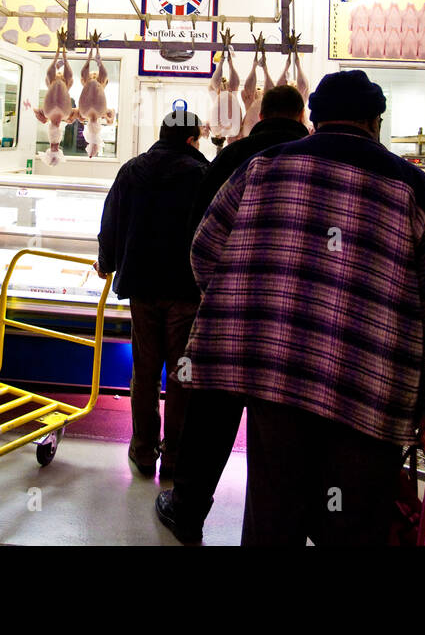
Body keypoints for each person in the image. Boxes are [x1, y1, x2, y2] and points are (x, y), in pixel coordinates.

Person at [185, 70, 425, 545]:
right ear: (376, 122)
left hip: (277, 377)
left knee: (274, 512)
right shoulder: (415, 189)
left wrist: (252, 303)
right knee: (354, 521)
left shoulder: (261, 168)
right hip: (372, 389)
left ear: (313, 119)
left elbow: (204, 250)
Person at [156, 84, 308, 543]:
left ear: (259, 113)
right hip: (290, 321)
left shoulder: (232, 157)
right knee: (280, 427)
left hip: (230, 315)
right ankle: (273, 524)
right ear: (301, 115)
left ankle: (187, 510)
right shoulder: (310, 158)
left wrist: (215, 294)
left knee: (211, 417)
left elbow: (198, 232)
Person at [96, 107, 209, 481]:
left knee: (144, 371)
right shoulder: (201, 174)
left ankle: (144, 450)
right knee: (181, 373)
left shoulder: (133, 169)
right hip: (185, 288)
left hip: (142, 286)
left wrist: (107, 261)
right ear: (191, 138)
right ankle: (174, 456)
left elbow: (111, 219)